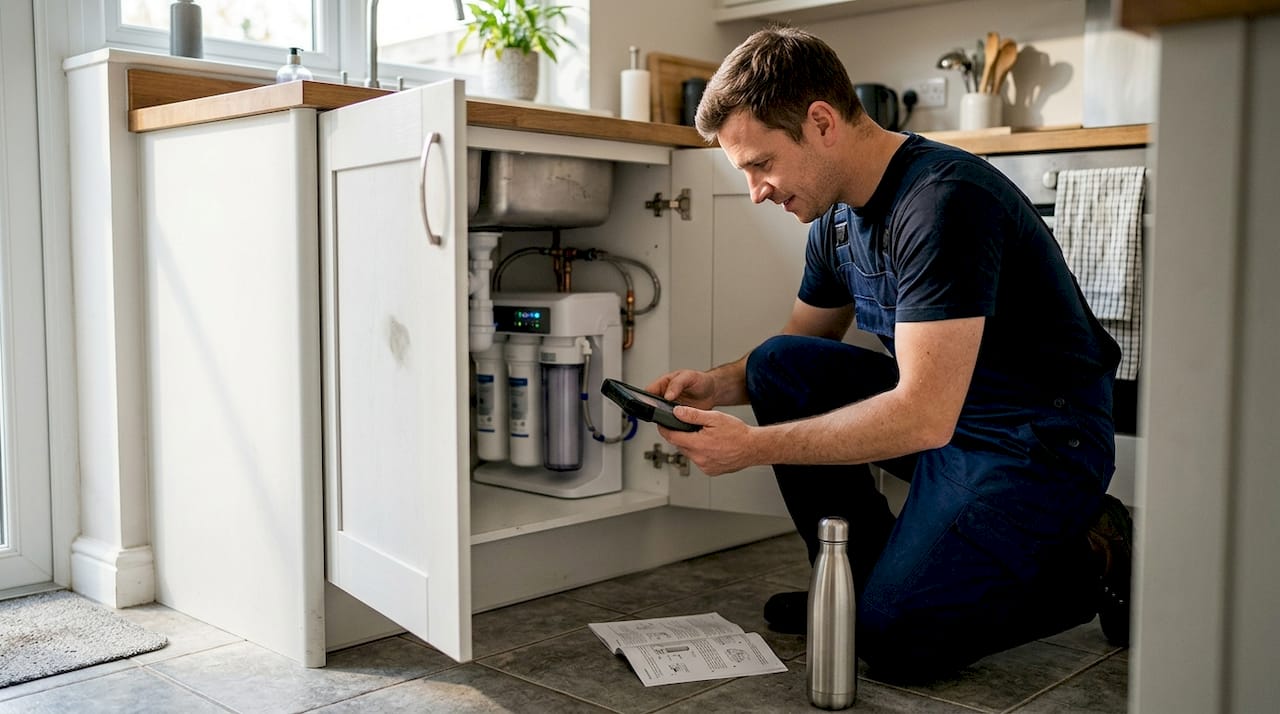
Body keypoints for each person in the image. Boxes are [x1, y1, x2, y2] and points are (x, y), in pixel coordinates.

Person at [645, 26, 1133, 679]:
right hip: (947, 421)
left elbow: (923, 414)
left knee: (898, 642)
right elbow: (797, 354)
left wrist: (753, 447)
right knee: (777, 365)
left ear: (820, 122)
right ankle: (861, 586)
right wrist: (712, 386)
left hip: (1036, 440)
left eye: (761, 164)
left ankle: (1097, 549)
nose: (757, 189)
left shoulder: (944, 202)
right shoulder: (835, 220)